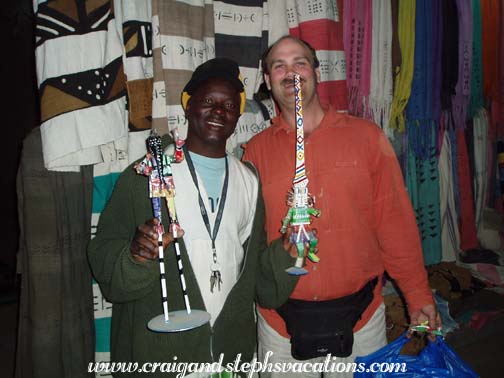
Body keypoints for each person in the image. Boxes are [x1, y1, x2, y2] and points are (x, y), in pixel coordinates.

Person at [243, 36, 441, 377]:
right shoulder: (254, 152)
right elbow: (249, 245)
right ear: (267, 80)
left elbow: (395, 224)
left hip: (362, 323)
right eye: (279, 66)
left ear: (317, 72)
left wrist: (418, 295)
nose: (291, 73)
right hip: (279, 328)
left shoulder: (366, 137)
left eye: (300, 62)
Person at [88, 58, 286, 377]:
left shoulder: (249, 179)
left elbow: (258, 277)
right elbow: (102, 255)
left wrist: (288, 252)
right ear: (188, 105)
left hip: (229, 359)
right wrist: (136, 257)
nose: (219, 111)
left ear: (237, 115)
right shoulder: (148, 173)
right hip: (160, 358)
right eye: (208, 101)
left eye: (229, 104)